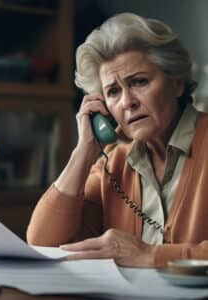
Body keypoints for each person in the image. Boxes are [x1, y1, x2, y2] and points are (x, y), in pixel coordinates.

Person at [26, 12, 208, 268]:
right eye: (113, 92)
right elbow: (43, 243)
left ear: (176, 83)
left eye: (139, 82)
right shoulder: (113, 163)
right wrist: (83, 152)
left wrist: (149, 255)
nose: (127, 102)